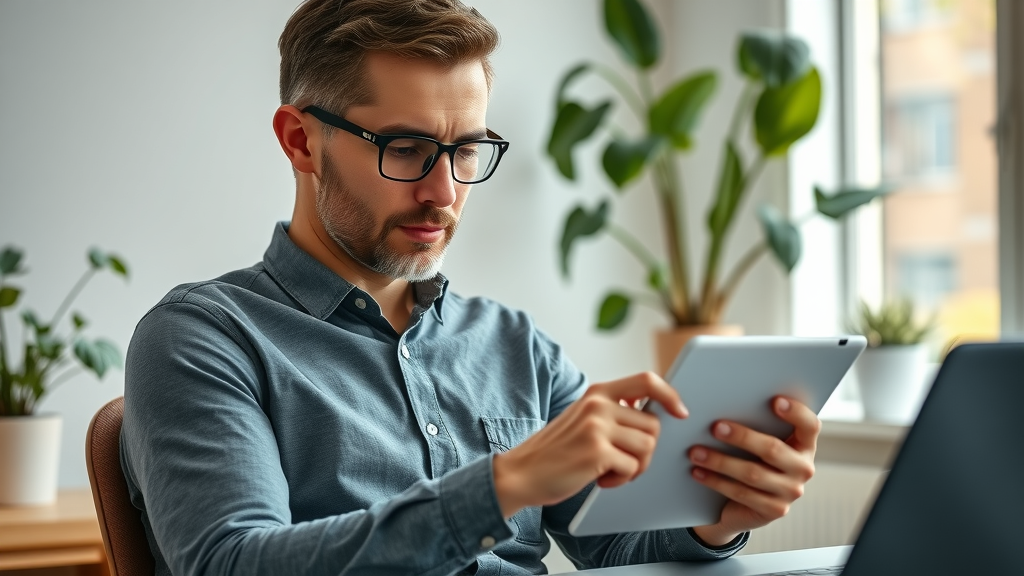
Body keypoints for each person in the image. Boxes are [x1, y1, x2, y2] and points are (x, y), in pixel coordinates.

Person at [121, 1, 821, 575]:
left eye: (465, 151)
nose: (444, 192)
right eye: (406, 149)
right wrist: (504, 483)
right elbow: (232, 564)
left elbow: (614, 547)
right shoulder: (203, 338)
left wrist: (713, 519)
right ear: (301, 141)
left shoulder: (514, 344)